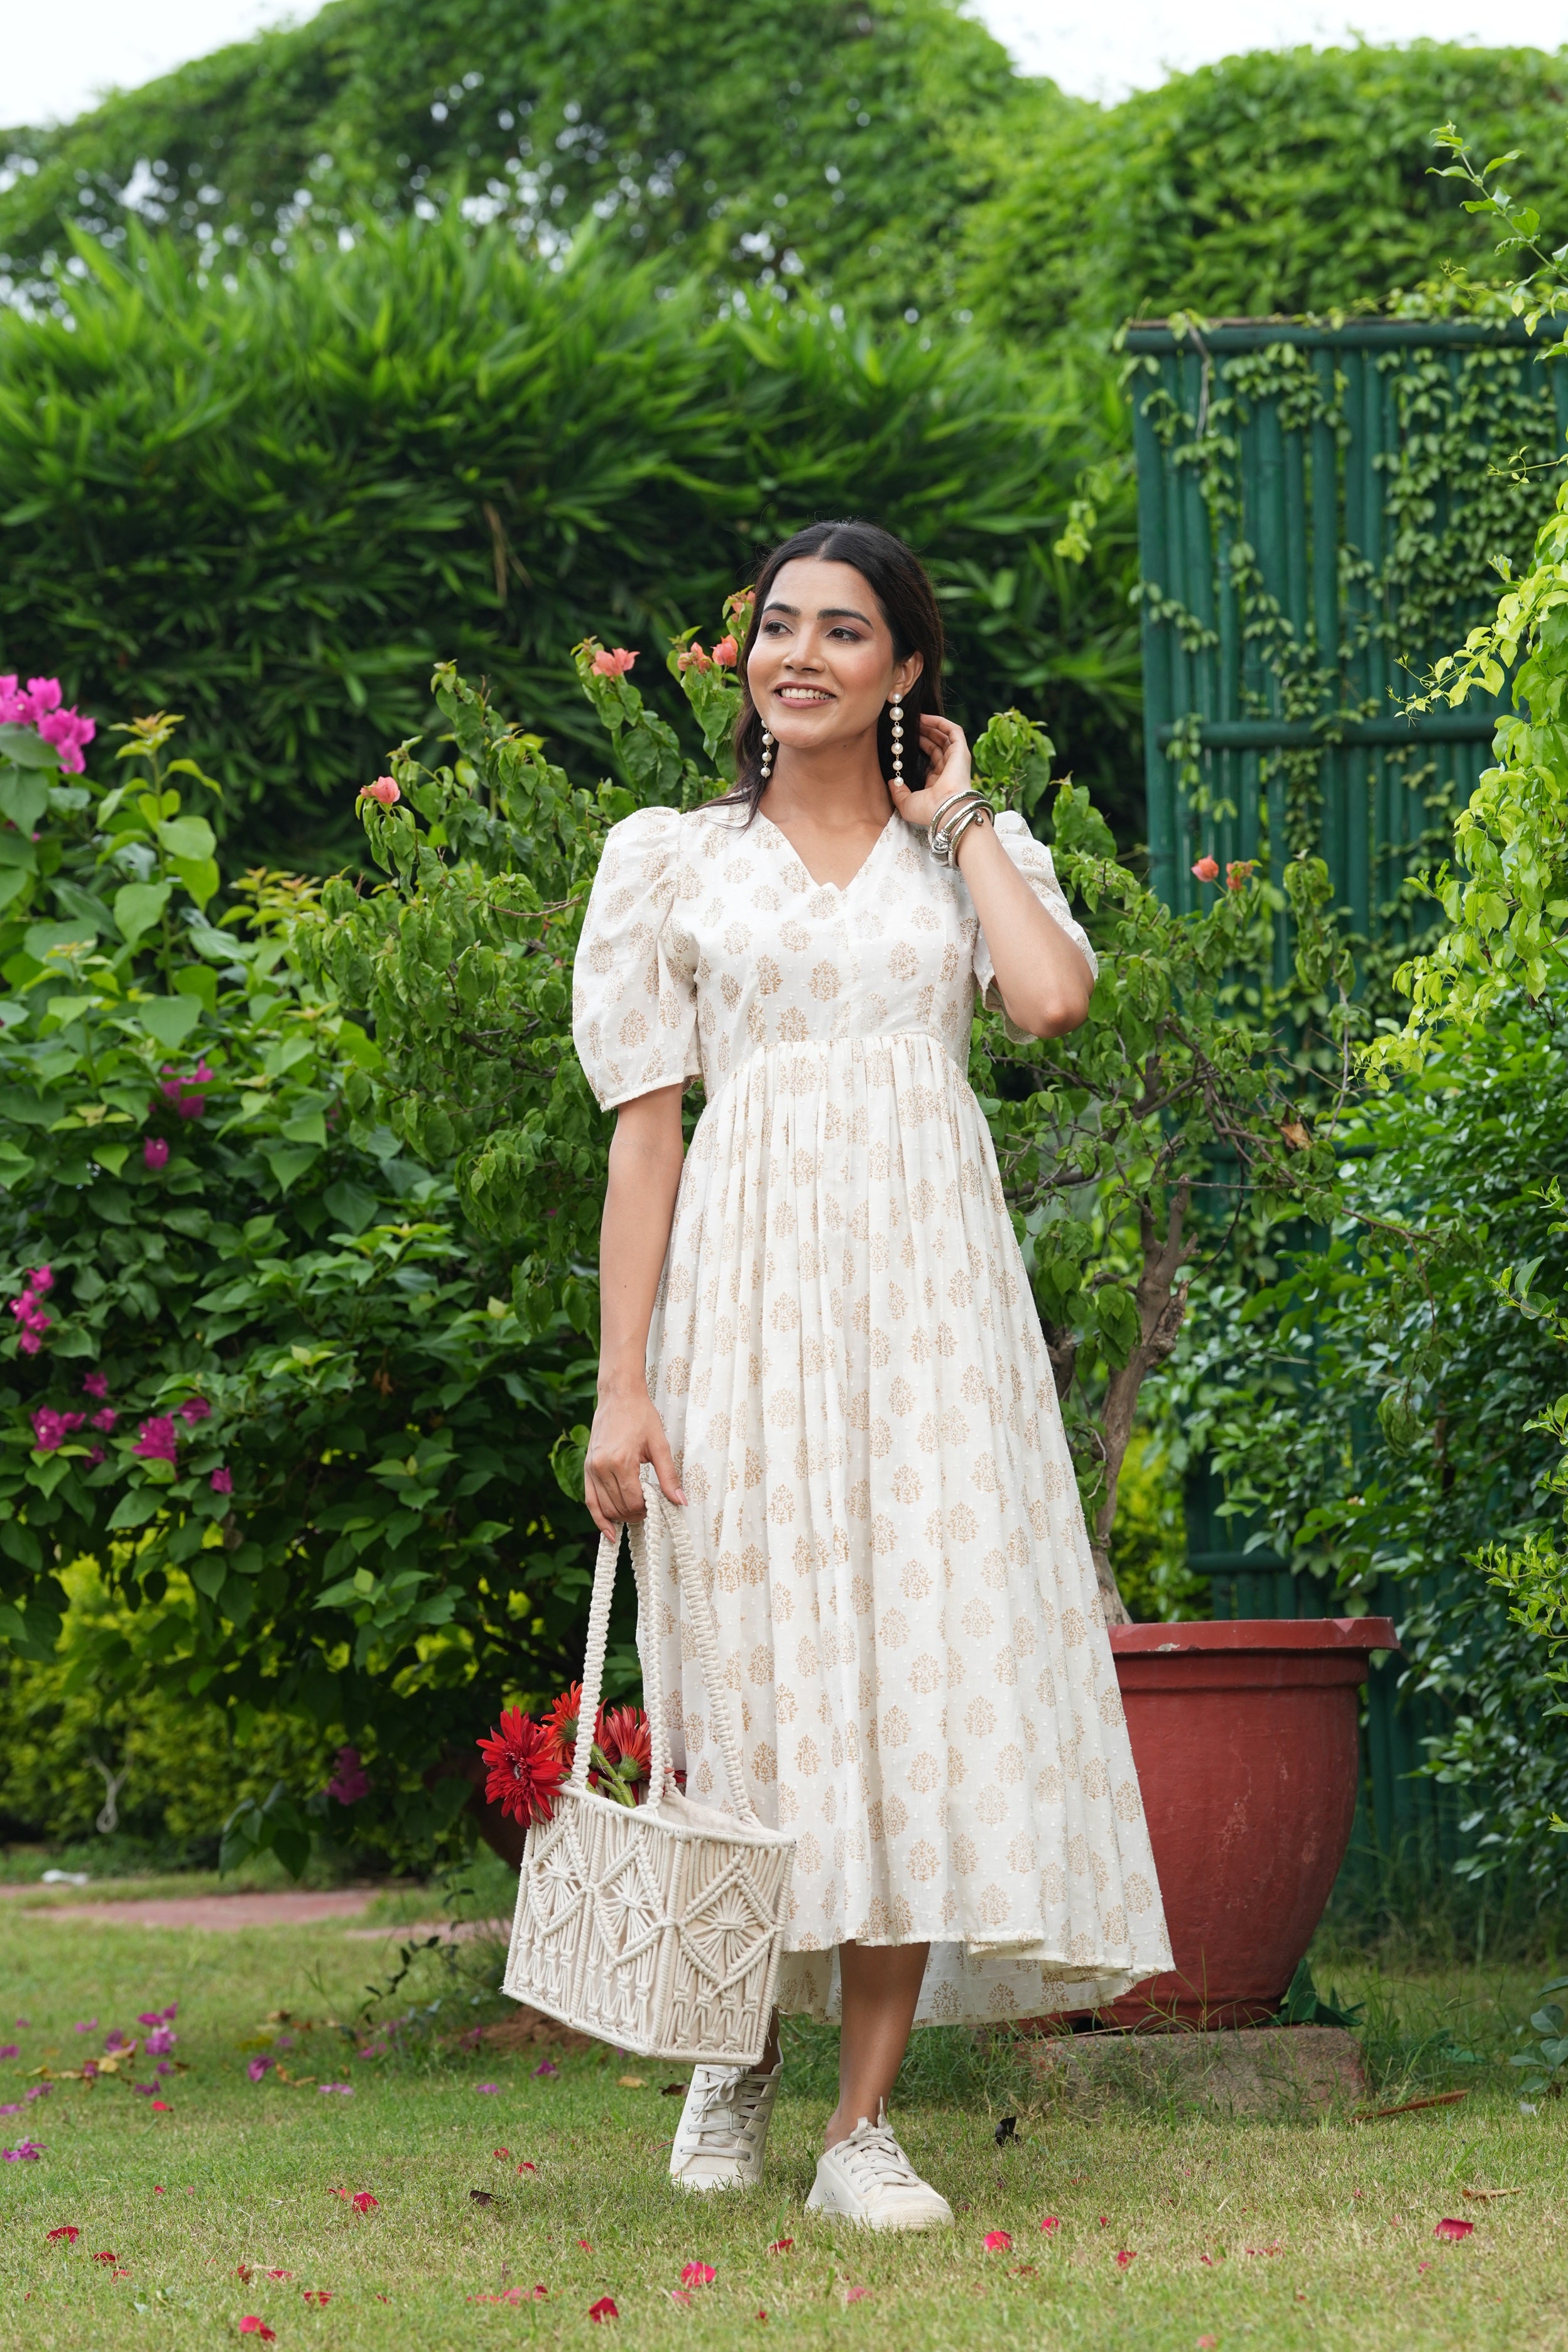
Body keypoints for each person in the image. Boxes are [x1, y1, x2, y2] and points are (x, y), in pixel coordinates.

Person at [572, 518, 1170, 2230]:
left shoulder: (961, 856)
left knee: (917, 1669)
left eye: (847, 631)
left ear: (909, 671)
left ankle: (860, 2132)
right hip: (745, 1301)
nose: (804, 655)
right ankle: (735, 2050)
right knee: (752, 1671)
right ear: (745, 657)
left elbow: (1053, 1001)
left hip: (931, 1310)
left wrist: (960, 816)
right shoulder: (672, 861)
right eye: (779, 626)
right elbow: (645, 1140)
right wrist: (624, 1387)